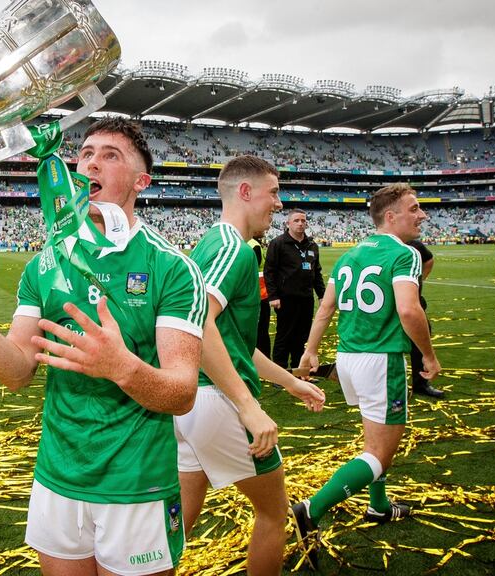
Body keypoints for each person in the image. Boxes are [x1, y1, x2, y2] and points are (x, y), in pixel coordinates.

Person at [0, 118, 206, 576]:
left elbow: (181, 393)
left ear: (142, 181)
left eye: (111, 155)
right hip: (58, 476)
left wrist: (121, 367)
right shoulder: (46, 265)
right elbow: (18, 371)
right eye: (86, 153)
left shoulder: (172, 268)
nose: (92, 162)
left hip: (135, 483)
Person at [174, 156, 325, 575]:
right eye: (273, 192)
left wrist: (290, 382)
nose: (278, 204)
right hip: (216, 399)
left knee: (177, 524)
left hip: (192, 402)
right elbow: (196, 322)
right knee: (275, 514)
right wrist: (246, 404)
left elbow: (234, 343)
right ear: (245, 192)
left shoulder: (212, 243)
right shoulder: (232, 248)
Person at [293, 183, 441, 567]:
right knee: (380, 452)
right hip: (382, 360)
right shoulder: (404, 254)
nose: (422, 214)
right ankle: (311, 509)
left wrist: (310, 351)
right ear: (390, 217)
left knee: (371, 439)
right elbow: (409, 311)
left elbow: (324, 310)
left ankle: (378, 506)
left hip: (349, 359)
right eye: (414, 208)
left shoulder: (349, 255)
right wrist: (428, 354)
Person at [264, 209, 325, 369]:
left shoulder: (312, 245)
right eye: (296, 220)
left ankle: (299, 370)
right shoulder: (278, 243)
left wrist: (322, 295)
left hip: (306, 297)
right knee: (284, 335)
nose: (300, 224)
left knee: (302, 336)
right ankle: (281, 371)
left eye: (303, 221)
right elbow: (269, 272)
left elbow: (316, 271)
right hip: (285, 298)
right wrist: (273, 296)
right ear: (288, 223)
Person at [407, 239, 445, 399]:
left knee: (421, 337)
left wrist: (420, 280)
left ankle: (421, 383)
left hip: (412, 300)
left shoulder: (414, 245)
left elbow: (429, 259)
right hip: (387, 303)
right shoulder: (385, 245)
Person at [247, 233, 271, 357]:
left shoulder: (246, 243)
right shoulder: (254, 245)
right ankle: (264, 359)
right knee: (261, 331)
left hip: (250, 294)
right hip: (259, 294)